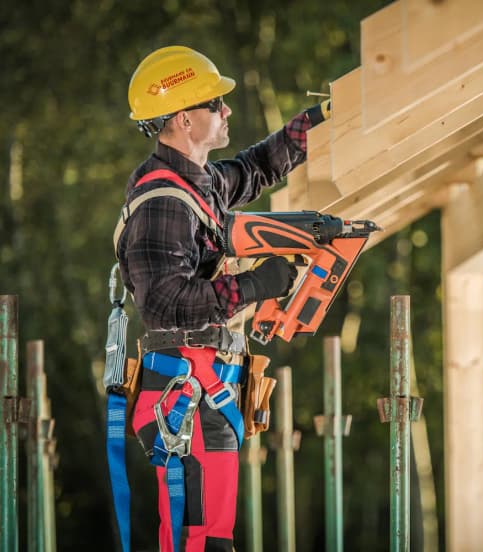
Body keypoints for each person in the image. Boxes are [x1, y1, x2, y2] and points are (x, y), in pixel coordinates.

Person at [113, 45, 329, 552]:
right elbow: (165, 303)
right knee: (200, 539)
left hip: (204, 391)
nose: (226, 110)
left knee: (210, 536)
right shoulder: (163, 200)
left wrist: (314, 123)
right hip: (186, 394)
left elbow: (255, 168)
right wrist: (256, 285)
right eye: (216, 104)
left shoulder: (199, 183)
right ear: (184, 119)